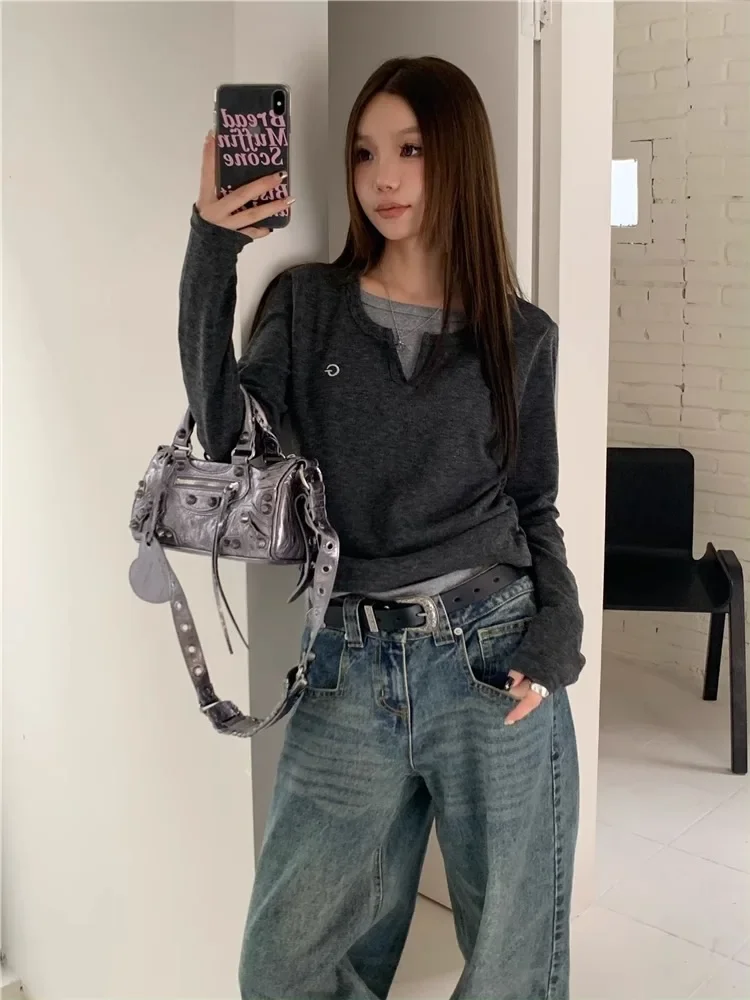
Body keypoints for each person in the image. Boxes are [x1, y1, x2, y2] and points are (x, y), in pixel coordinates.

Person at [178, 55, 584, 1000]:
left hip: (494, 658)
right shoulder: (308, 305)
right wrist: (211, 247)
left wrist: (559, 631)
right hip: (347, 665)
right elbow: (229, 437)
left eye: (411, 150)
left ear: (459, 160)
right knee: (279, 967)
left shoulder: (520, 333)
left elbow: (534, 504)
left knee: (511, 967)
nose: (383, 178)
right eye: (365, 153)